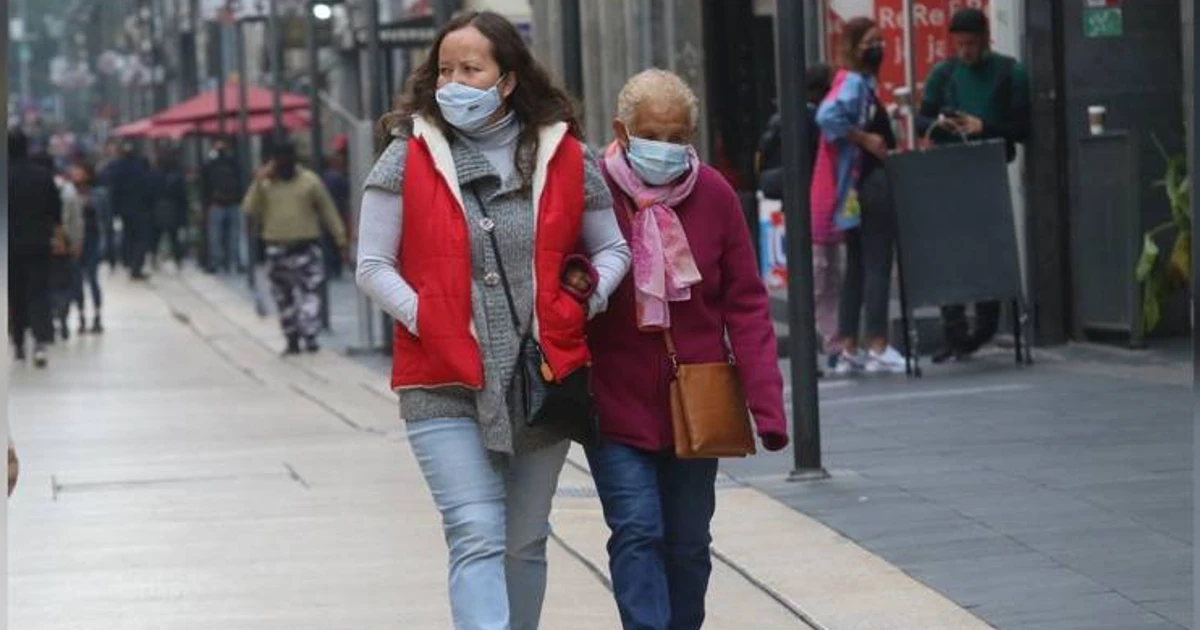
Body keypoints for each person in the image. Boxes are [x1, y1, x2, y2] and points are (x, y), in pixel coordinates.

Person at [355, 11, 631, 629]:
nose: (454, 81)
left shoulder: (564, 154)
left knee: (524, 540)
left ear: (506, 80)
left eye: (470, 69)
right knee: (476, 530)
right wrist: (431, 319)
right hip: (443, 379)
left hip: (540, 377)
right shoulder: (409, 153)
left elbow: (613, 249)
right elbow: (372, 265)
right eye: (444, 69)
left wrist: (581, 305)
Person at [585, 69, 788, 630]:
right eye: (654, 134)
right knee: (637, 529)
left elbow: (746, 304)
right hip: (614, 401)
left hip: (698, 401)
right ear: (622, 131)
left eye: (679, 137)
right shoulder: (592, 190)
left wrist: (767, 407)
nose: (667, 149)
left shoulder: (715, 193)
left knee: (689, 544)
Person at [916, 7, 1031, 363]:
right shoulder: (945, 73)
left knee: (988, 248)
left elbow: (1023, 128)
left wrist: (985, 128)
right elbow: (923, 119)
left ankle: (984, 326)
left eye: (970, 43)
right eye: (959, 44)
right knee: (951, 250)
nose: (965, 51)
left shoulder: (1010, 72)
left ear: (985, 39)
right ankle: (954, 331)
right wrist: (943, 126)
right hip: (951, 170)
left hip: (990, 168)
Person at [816, 18, 906, 375]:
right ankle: (878, 344)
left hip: (854, 187)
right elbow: (827, 117)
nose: (878, 47)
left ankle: (850, 343)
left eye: (880, 40)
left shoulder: (859, 82)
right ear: (854, 47)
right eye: (871, 41)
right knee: (877, 263)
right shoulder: (853, 81)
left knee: (856, 266)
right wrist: (864, 139)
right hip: (867, 182)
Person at [243, 141, 347, 355]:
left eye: (286, 160)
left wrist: (340, 239)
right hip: (276, 248)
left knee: (310, 295)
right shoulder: (265, 185)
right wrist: (258, 181)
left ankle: (310, 336)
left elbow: (328, 210)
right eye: (278, 161)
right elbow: (249, 208)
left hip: (305, 247)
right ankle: (291, 338)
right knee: (284, 298)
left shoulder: (310, 182)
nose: (283, 165)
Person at [8, 130, 62, 367]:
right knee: (39, 292)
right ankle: (40, 342)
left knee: (15, 294)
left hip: (9, 246)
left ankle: (19, 344)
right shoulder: (43, 176)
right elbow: (55, 212)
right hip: (39, 243)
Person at [755, 63, 834, 200]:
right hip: (802, 188)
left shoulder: (778, 118)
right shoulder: (815, 119)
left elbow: (761, 155)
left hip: (772, 185)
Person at [107, 141, 156, 280]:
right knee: (140, 238)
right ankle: (136, 266)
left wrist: (115, 209)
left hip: (124, 209)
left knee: (128, 236)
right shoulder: (141, 167)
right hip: (141, 208)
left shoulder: (118, 167)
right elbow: (149, 187)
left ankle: (128, 261)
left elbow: (114, 190)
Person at [69, 162, 106, 334]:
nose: (76, 175)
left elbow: (105, 220)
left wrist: (107, 245)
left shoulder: (98, 195)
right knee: (77, 281)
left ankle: (97, 315)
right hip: (76, 242)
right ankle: (81, 316)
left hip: (93, 239)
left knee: (93, 278)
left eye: (79, 172)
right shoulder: (69, 195)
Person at [202, 137, 245, 274]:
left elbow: (205, 185)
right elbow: (241, 181)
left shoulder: (210, 164)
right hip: (232, 203)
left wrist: (207, 202)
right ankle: (235, 261)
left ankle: (216, 262)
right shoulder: (234, 163)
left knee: (215, 236)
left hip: (217, 204)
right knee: (235, 235)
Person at [151, 150, 190, 271]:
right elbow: (182, 196)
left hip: (158, 209)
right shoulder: (177, 177)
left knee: (157, 236)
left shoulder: (155, 176)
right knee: (174, 237)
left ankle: (154, 258)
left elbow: (150, 193)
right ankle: (178, 260)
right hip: (173, 210)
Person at [321, 150, 352, 279]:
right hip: (339, 211)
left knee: (328, 242)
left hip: (327, 214)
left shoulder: (325, 176)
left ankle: (331, 268)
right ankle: (336, 268)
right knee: (336, 241)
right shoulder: (338, 177)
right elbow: (345, 196)